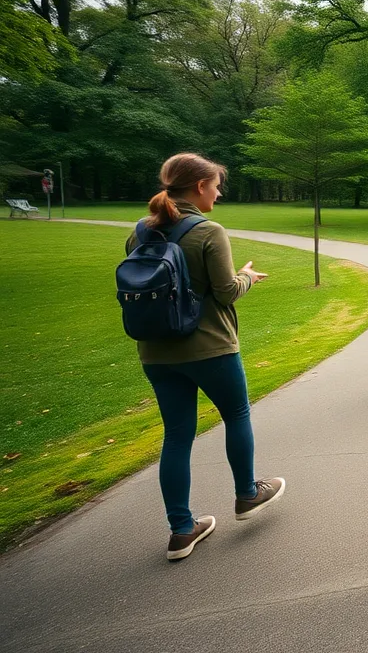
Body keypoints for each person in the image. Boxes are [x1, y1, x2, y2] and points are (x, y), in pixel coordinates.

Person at [126, 153, 284, 561]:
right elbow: (227, 291)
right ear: (199, 186)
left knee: (177, 436)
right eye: (215, 185)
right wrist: (247, 276)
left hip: (155, 352)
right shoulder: (209, 230)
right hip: (210, 347)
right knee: (236, 415)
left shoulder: (140, 231)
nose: (219, 192)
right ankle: (247, 494)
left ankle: (181, 530)